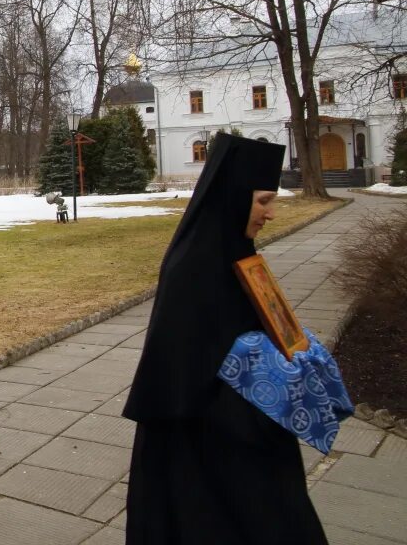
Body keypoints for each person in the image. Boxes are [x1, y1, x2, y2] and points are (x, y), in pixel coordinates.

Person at [123, 133, 328, 543]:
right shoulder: (193, 269)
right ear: (235, 196)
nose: (270, 213)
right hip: (207, 451)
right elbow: (182, 376)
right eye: (264, 200)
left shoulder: (237, 254)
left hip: (247, 436)